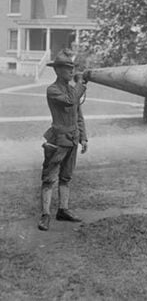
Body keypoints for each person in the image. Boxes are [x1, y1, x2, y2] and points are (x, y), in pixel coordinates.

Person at [38, 49, 88, 231]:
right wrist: (80, 83)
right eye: (67, 69)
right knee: (49, 178)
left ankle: (63, 210)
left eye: (72, 68)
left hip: (72, 139)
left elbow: (78, 115)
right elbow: (69, 101)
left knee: (66, 177)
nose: (71, 72)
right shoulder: (52, 90)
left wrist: (83, 137)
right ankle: (45, 215)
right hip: (57, 140)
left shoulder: (72, 90)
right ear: (57, 70)